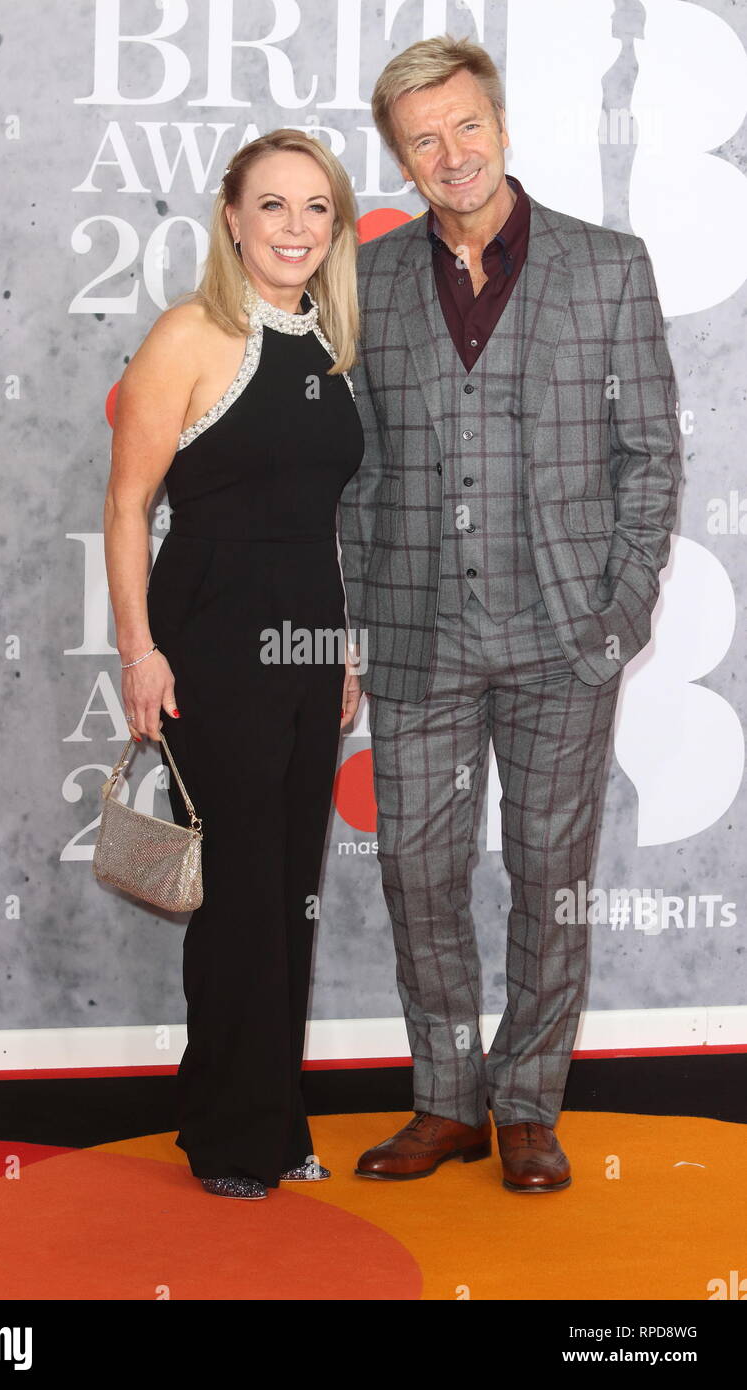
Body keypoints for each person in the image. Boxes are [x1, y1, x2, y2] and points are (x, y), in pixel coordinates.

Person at [338, 35, 681, 1192]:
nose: (450, 153)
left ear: (500, 124)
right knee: (417, 876)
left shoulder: (605, 265)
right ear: (399, 157)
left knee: (547, 872)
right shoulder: (365, 279)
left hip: (560, 640)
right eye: (422, 138)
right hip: (418, 634)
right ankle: (445, 1099)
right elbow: (353, 467)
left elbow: (647, 456)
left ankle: (527, 1101)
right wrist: (352, 619)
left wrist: (617, 615)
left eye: (464, 126)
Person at [103, 130, 363, 1199]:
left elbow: (319, 520)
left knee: (288, 884)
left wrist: (341, 646)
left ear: (333, 226)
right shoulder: (189, 335)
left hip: (307, 643)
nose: (294, 227)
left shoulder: (333, 348)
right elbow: (126, 504)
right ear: (231, 218)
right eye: (272, 206)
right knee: (242, 892)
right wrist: (137, 649)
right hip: (210, 640)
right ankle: (232, 1135)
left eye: (315, 208)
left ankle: (254, 1103)